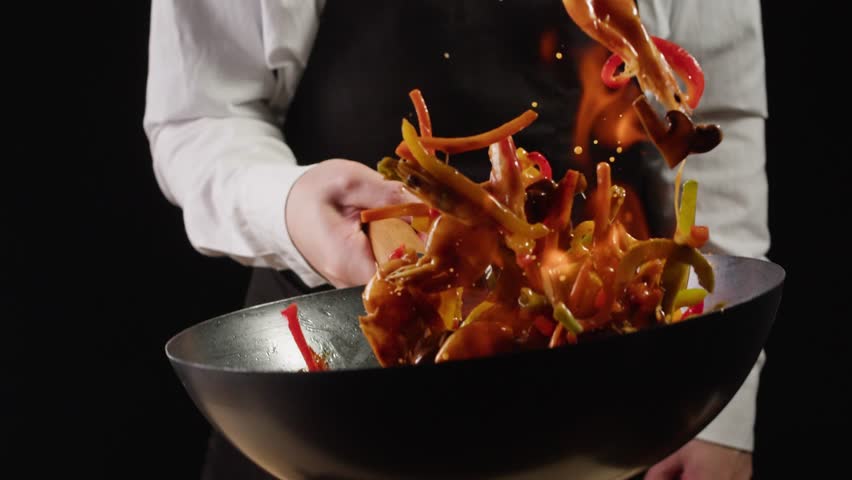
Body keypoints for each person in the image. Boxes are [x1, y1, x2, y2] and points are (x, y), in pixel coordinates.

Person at [143, 1, 769, 478]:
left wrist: (718, 405)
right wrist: (288, 207)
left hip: (606, 395)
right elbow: (201, 114)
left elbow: (714, 117)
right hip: (326, 395)